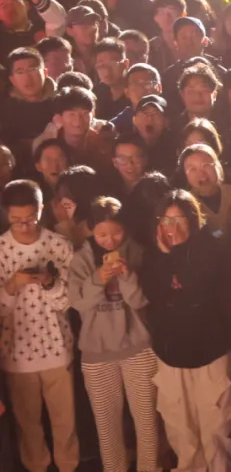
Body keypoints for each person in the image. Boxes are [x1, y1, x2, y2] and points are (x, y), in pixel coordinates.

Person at [142, 190, 231, 472]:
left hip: (211, 351)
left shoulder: (212, 248)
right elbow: (153, 295)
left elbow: (202, 291)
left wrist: (177, 263)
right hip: (171, 354)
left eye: (180, 219)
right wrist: (165, 257)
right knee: (180, 428)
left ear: (193, 220)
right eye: (166, 220)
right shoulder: (153, 255)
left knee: (216, 426)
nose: (173, 227)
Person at [67, 197, 158, 472]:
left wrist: (127, 276)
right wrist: (99, 278)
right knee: (107, 428)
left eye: (116, 232)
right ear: (91, 231)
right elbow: (78, 303)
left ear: (125, 229)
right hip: (98, 354)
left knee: (147, 422)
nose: (109, 240)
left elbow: (141, 301)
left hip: (138, 348)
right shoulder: (81, 259)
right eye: (102, 234)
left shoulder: (138, 253)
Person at [0, 179, 78, 472]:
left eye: (30, 218)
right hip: (16, 352)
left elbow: (70, 301)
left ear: (41, 209)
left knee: (65, 421)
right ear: (6, 214)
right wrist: (12, 285)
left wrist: (48, 282)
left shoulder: (59, 245)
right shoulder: (1, 250)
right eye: (16, 220)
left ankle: (68, 465)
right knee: (28, 425)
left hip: (57, 347)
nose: (24, 226)